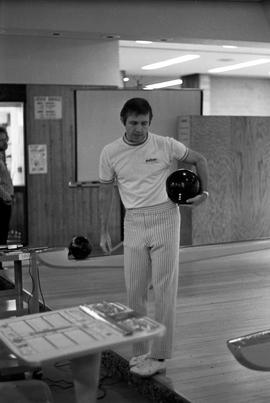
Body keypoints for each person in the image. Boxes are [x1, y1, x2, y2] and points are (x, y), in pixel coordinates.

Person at [99, 98, 208, 377]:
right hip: (133, 221)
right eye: (133, 122)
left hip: (166, 218)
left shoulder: (165, 144)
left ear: (150, 122)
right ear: (123, 121)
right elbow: (106, 191)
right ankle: (140, 352)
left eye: (144, 123)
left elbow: (199, 159)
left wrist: (204, 194)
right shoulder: (110, 152)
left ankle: (159, 356)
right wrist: (103, 229)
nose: (139, 128)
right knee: (134, 291)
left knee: (164, 290)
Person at [0, 126, 14, 253]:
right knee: (1, 235)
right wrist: (6, 196)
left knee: (3, 235)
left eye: (5, 139)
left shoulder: (1, 157)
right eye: (1, 140)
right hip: (1, 201)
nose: (5, 143)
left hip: (5, 201)